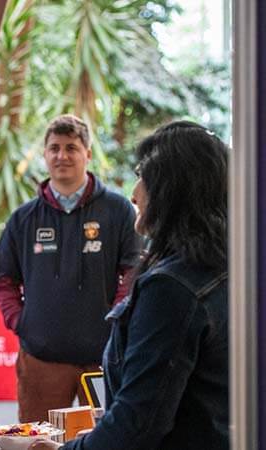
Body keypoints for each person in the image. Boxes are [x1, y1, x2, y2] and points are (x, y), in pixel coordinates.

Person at [32, 122, 229, 449]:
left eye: (143, 176)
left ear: (171, 189)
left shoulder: (171, 288)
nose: (135, 192)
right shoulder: (227, 266)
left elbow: (137, 424)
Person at [0, 114, 141, 422]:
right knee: (37, 441)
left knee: (107, 440)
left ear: (87, 153)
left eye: (72, 147)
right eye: (54, 148)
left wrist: (117, 320)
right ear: (45, 155)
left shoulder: (119, 210)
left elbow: (134, 270)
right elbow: (3, 279)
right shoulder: (24, 218)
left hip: (103, 358)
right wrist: (22, 322)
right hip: (41, 360)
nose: (62, 155)